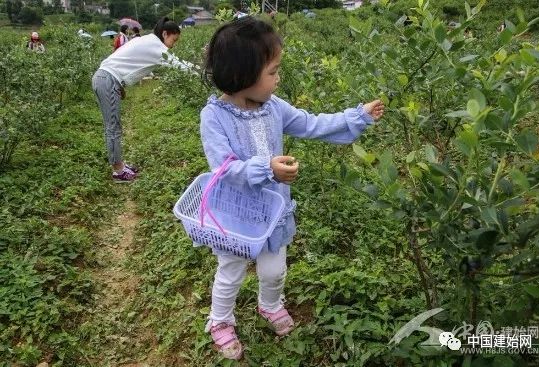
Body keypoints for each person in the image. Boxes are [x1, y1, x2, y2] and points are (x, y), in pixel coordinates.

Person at [200, 17, 384, 360]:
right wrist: (266, 168)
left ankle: (269, 305)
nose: (278, 78)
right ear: (243, 75)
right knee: (231, 271)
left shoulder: (274, 107)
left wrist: (356, 117)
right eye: (272, 72)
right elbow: (223, 168)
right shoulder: (215, 117)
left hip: (272, 213)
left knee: (274, 270)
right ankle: (221, 320)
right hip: (237, 217)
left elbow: (312, 124)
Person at [92, 17, 198, 182]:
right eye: (174, 39)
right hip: (107, 80)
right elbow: (179, 66)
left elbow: (120, 61)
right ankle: (118, 171)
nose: (174, 44)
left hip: (106, 78)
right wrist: (200, 75)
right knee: (113, 127)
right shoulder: (157, 46)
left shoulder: (149, 40)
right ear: (165, 33)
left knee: (114, 126)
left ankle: (119, 164)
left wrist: (119, 86)